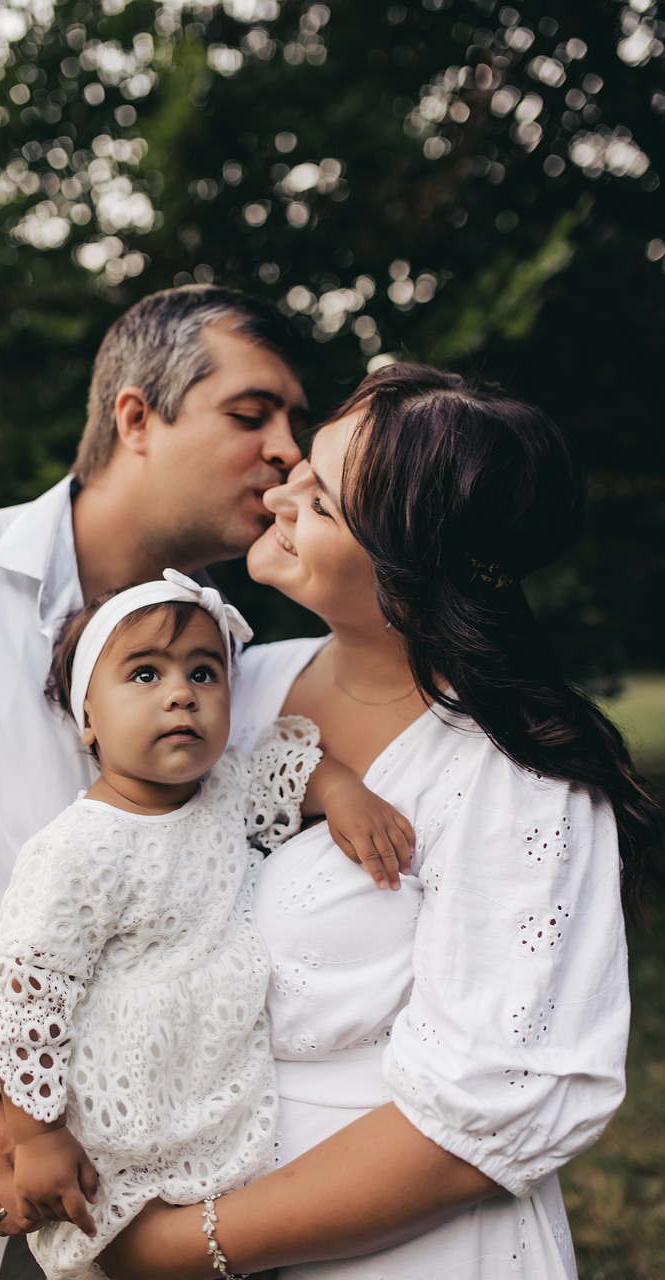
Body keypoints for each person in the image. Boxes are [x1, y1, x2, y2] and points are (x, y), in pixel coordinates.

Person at [97, 363, 662, 1280]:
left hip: (400, 1251)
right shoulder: (239, 685)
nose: (277, 493)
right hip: (201, 1176)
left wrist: (184, 1246)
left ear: (410, 567)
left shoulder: (515, 778)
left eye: (319, 503)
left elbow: (484, 1115)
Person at [0, 284, 310, 1280]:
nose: (290, 451)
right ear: (135, 415)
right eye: (251, 414)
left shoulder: (237, 674)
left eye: (295, 424)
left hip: (136, 1235)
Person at [0, 570, 412, 1280]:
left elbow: (288, 769)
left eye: (202, 672)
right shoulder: (78, 848)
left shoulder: (221, 792)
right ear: (88, 718)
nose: (180, 692)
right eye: (144, 674)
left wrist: (341, 791)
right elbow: (29, 997)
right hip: (97, 1115)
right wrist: (35, 1135)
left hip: (197, 1091)